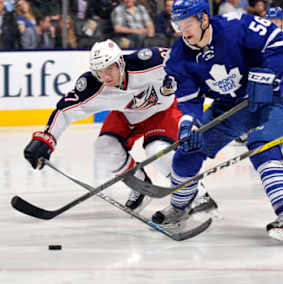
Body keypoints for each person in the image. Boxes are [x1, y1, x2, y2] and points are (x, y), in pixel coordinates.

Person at [151, 0, 283, 243]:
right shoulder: (178, 57)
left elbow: (281, 44)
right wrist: (188, 125)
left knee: (262, 147)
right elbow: (190, 100)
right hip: (227, 109)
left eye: (187, 24)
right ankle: (180, 208)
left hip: (265, 102)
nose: (183, 31)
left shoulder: (236, 24)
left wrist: (267, 72)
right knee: (186, 154)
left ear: (203, 18)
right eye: (177, 26)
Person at [23, 39, 217, 215]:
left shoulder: (147, 62)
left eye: (110, 68)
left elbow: (185, 58)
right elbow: (64, 111)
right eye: (100, 71)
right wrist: (46, 139)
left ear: (121, 62)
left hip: (162, 111)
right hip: (128, 115)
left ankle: (198, 193)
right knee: (104, 147)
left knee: (157, 150)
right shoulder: (92, 86)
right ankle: (140, 188)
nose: (106, 76)